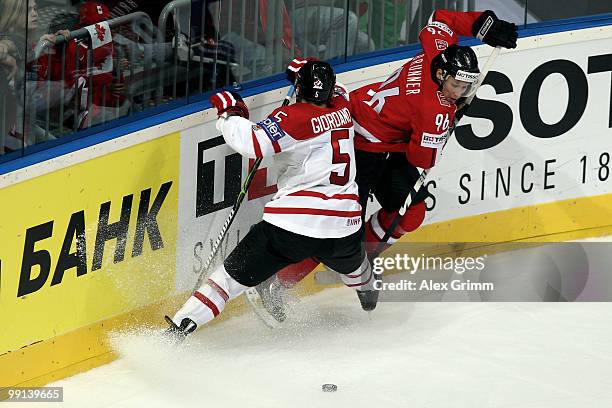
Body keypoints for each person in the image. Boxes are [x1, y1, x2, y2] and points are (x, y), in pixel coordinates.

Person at [256, 8, 518, 316]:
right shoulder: (434, 108)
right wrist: (448, 120)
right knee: (335, 231)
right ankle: (275, 282)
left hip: (384, 142)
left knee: (413, 211)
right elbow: (421, 158)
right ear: (441, 75)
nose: (461, 91)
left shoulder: (438, 51)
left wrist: (482, 25)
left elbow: (441, 18)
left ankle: (364, 259)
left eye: (466, 86)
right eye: (457, 86)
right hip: (359, 145)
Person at [166, 60, 376, 339]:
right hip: (343, 225)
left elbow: (254, 144)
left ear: (299, 87)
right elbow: (324, 85)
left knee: (228, 281)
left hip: (293, 225)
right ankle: (367, 290)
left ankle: (180, 328)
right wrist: (300, 75)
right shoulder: (343, 102)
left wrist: (230, 115)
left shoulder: (293, 118)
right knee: (354, 264)